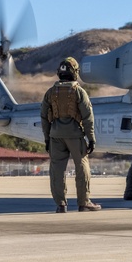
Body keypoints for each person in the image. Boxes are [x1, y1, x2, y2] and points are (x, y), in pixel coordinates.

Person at [40, 57, 101, 213]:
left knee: (57, 170)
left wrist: (47, 138)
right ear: (75, 72)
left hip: (55, 136)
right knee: (82, 167)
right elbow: (88, 117)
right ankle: (84, 202)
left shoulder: (50, 92)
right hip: (75, 135)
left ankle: (61, 204)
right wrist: (91, 138)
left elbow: (44, 117)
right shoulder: (79, 91)